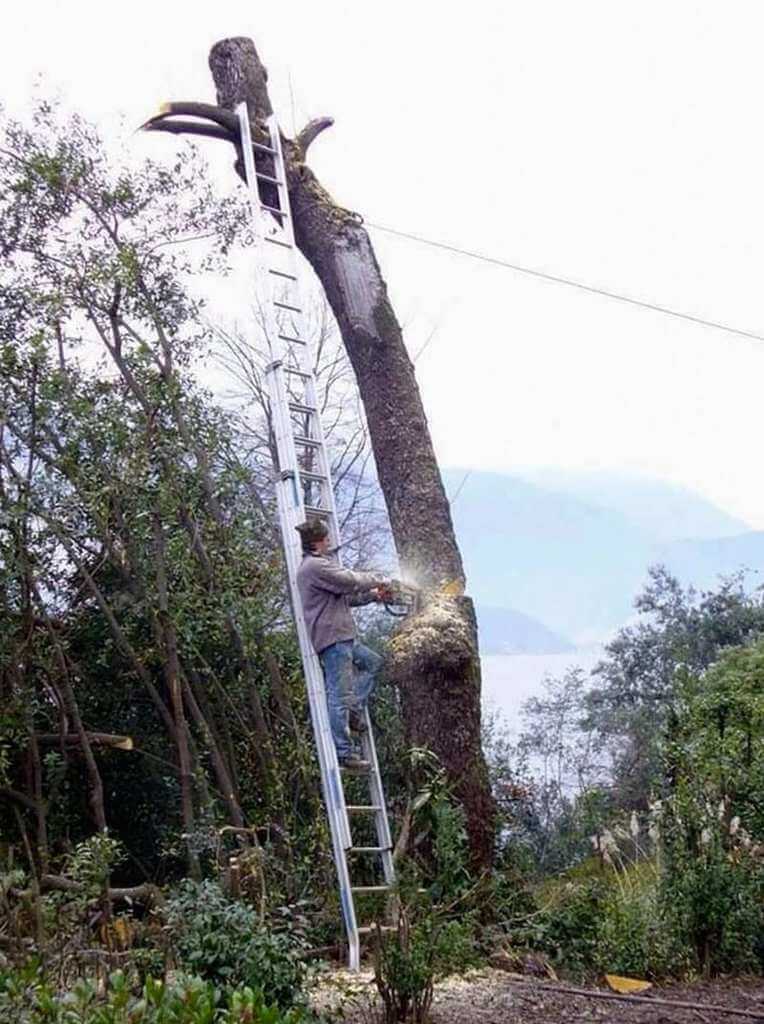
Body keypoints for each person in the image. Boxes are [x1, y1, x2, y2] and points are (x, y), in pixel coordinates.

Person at [295, 518, 388, 769]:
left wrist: (373, 596)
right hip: (333, 639)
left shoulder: (319, 568)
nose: (329, 542)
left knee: (373, 663)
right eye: (326, 538)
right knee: (339, 695)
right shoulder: (315, 567)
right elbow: (350, 581)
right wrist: (381, 578)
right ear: (316, 542)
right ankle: (345, 753)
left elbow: (347, 598)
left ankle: (355, 710)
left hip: (343, 636)